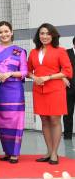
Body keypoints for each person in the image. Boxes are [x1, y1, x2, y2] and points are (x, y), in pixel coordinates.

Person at [27, 23, 73, 165]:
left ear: (53, 35)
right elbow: (28, 71)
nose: (45, 36)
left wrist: (48, 77)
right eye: (42, 33)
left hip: (55, 89)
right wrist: (35, 78)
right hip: (39, 90)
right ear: (38, 36)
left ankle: (54, 153)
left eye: (47, 33)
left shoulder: (60, 51)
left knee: (54, 120)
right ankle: (48, 151)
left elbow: (67, 71)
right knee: (45, 121)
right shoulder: (33, 52)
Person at [0, 21, 27, 163]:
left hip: (14, 90)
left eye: (6, 31)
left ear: (11, 32)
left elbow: (24, 71)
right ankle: (7, 152)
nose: (4, 34)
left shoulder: (19, 51)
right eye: (1, 32)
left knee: (16, 121)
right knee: (1, 121)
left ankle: (15, 153)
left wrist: (10, 74)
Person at [66, 36, 75, 140]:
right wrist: (63, 78)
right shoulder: (66, 53)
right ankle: (67, 136)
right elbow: (59, 68)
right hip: (69, 87)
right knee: (68, 112)